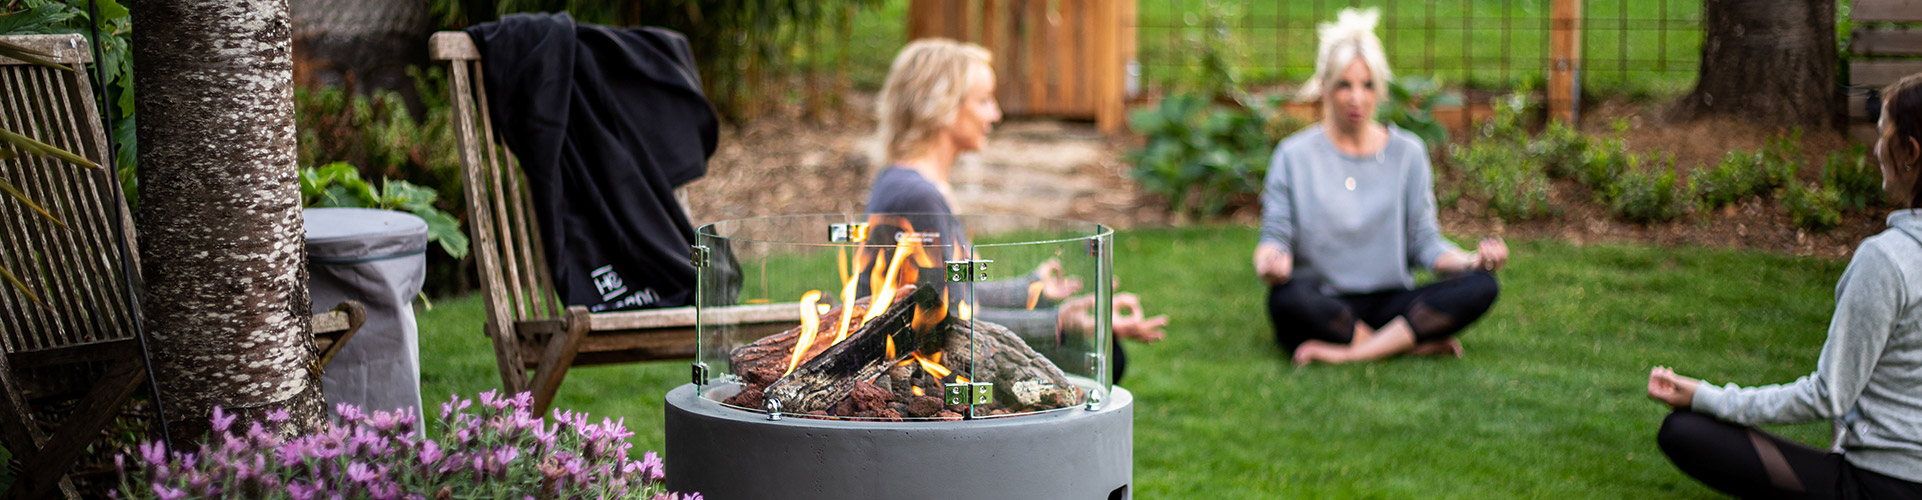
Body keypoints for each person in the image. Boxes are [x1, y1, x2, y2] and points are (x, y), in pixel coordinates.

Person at [1644, 73, 1922, 498]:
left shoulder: (1887, 260)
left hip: (1880, 486)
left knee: (1684, 431)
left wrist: (1707, 397)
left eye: (1883, 133)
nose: (1875, 148)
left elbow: (1828, 396)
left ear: (1910, 152)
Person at [864, 38, 1169, 383]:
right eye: (984, 100)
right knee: (1101, 356)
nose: (995, 114)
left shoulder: (907, 182)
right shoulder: (918, 196)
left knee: (1105, 352)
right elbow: (951, 321)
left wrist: (1032, 290)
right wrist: (1058, 322)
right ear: (943, 107)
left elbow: (949, 293)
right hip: (921, 377)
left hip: (931, 358)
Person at [1259, 8, 1506, 366]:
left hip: (1393, 303)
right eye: (1344, 85)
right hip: (1327, 304)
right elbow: (1273, 238)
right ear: (1324, 86)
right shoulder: (1293, 155)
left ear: (1381, 88)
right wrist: (1270, 263)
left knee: (1482, 284)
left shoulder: (1408, 152)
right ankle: (1405, 345)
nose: (1356, 98)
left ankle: (1351, 354)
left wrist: (1473, 260)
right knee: (1285, 298)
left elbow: (1426, 244)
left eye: (1367, 85)